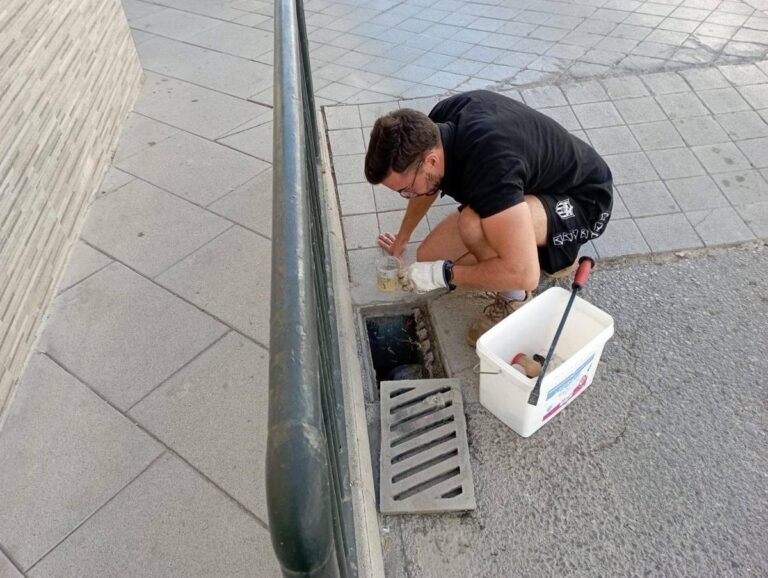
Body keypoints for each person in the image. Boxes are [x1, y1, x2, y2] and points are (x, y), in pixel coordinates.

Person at [363, 90, 614, 346]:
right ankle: (529, 246)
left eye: (406, 189)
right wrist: (402, 239)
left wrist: (443, 275)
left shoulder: (492, 168)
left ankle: (517, 296)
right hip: (530, 183)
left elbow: (525, 274)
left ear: (431, 160)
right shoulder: (435, 127)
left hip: (582, 202)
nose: (408, 195)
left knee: (474, 224)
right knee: (428, 255)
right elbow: (426, 186)